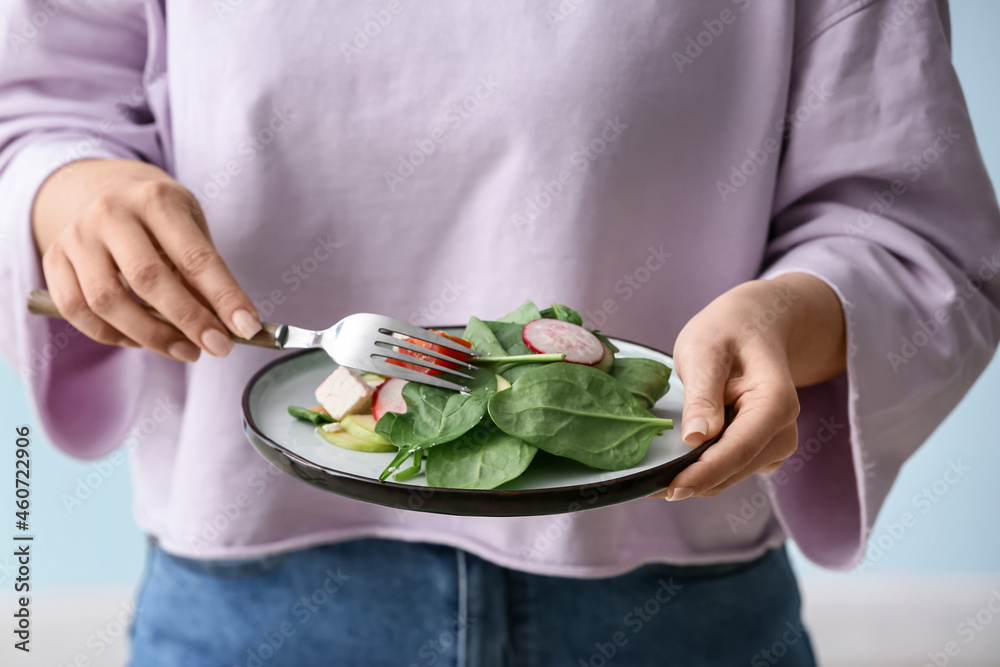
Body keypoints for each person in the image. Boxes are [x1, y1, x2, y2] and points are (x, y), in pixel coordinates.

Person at [1, 0, 997, 665]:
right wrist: (65, 189)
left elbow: (910, 227)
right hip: (250, 604)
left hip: (670, 609)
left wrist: (789, 318)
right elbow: (34, 109)